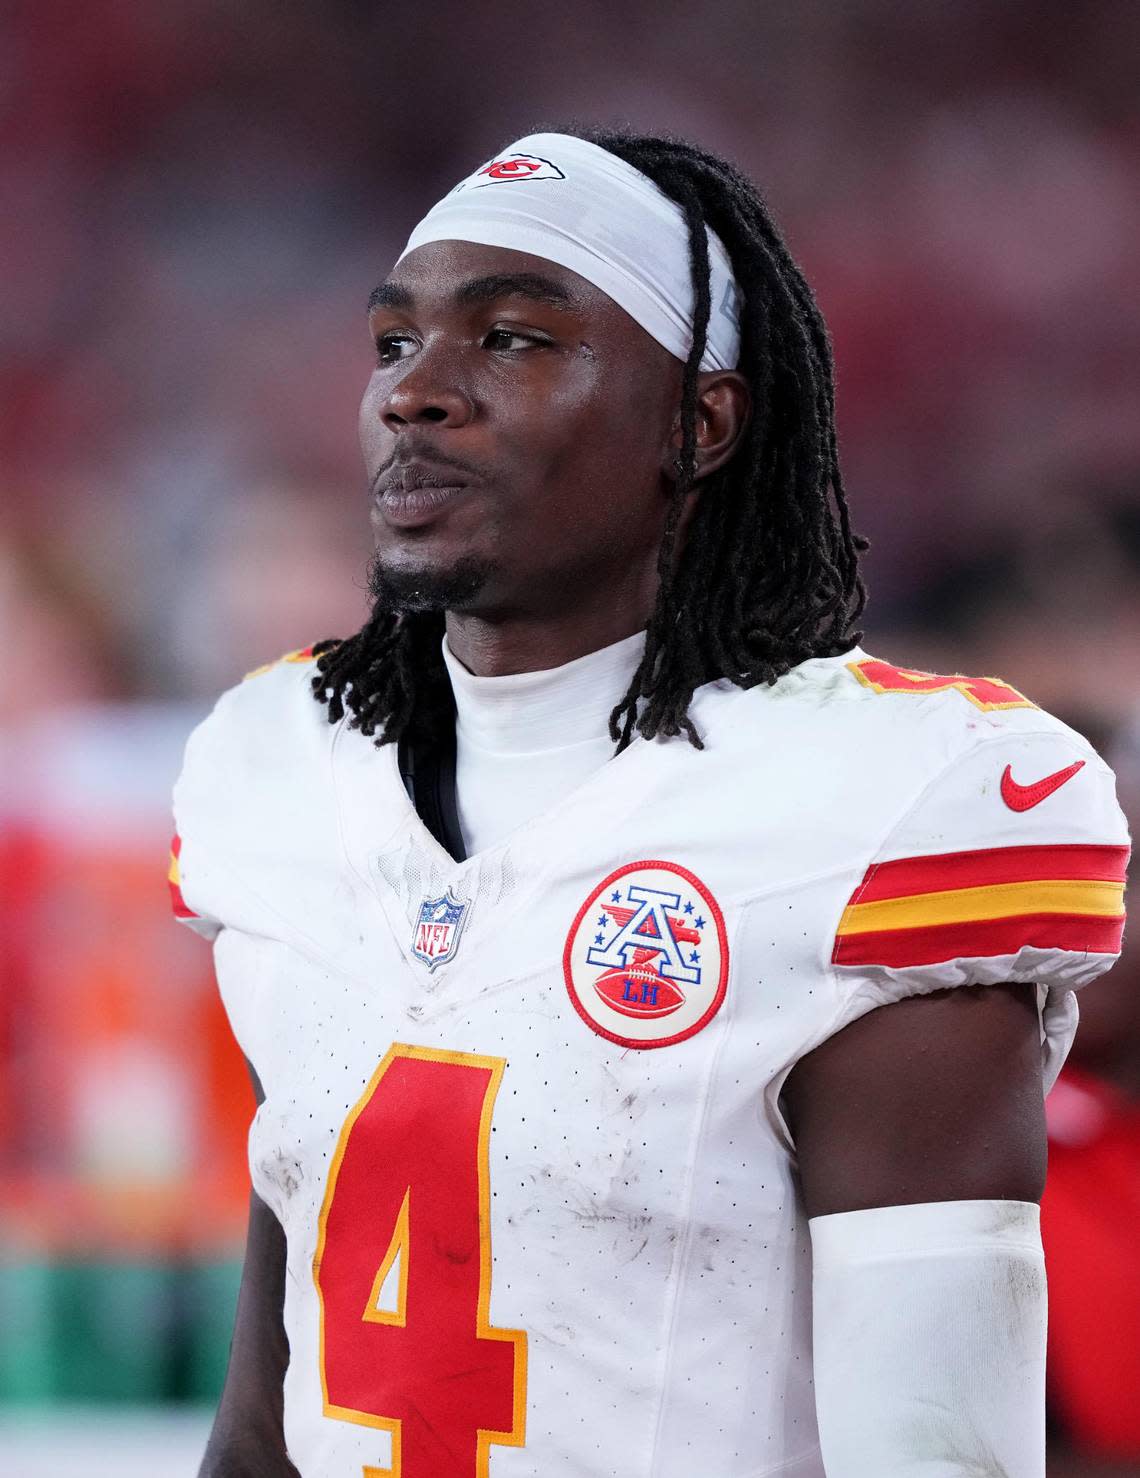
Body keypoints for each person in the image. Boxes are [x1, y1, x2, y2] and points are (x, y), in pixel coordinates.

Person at [171, 129, 1129, 1478]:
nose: (417, 393)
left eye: (511, 337)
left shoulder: (879, 805)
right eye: (393, 344)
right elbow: (274, 1411)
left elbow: (939, 1454)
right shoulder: (277, 767)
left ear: (703, 419)